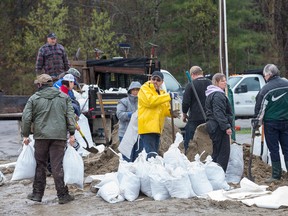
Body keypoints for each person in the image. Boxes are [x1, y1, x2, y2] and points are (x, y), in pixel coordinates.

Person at [21, 74, 76, 204]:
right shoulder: (64, 97)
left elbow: (26, 118)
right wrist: (72, 133)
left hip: (41, 137)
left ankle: (37, 195)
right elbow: (70, 116)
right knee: (57, 165)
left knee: (40, 165)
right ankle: (62, 195)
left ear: (40, 85)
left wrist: (25, 135)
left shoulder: (33, 99)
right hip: (59, 137)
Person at [253, 64, 288, 183]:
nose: (264, 77)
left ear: (269, 75)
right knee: (287, 149)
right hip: (286, 122)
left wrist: (256, 122)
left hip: (271, 123)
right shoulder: (286, 83)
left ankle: (276, 175)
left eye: (264, 75)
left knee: (274, 149)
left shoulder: (266, 89)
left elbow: (260, 108)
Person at [138, 71, 180, 158]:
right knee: (151, 155)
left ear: (162, 82)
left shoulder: (162, 93)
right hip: (147, 128)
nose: (155, 81)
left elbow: (164, 110)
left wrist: (171, 113)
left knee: (154, 155)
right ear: (150, 79)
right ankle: (150, 170)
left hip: (157, 128)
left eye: (158, 80)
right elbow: (151, 101)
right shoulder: (144, 89)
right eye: (154, 79)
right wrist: (168, 96)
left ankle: (152, 170)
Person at [205, 73, 233, 172]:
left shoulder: (211, 94)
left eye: (225, 80)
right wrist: (226, 127)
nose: (225, 82)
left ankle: (214, 175)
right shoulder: (218, 95)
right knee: (223, 153)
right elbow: (219, 113)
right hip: (218, 127)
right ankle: (219, 175)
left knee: (216, 152)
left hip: (213, 126)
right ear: (216, 82)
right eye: (222, 81)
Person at [182, 66, 212, 154]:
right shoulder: (210, 83)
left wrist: (184, 113)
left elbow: (186, 102)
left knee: (190, 139)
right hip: (209, 117)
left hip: (194, 117)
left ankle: (189, 155)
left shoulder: (191, 85)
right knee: (209, 138)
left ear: (192, 74)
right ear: (201, 73)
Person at [116, 81, 142, 162]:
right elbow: (120, 114)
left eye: (137, 90)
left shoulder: (143, 102)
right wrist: (132, 115)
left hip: (139, 135)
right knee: (127, 160)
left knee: (138, 160)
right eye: (133, 90)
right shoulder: (124, 101)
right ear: (130, 91)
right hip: (125, 134)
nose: (135, 92)